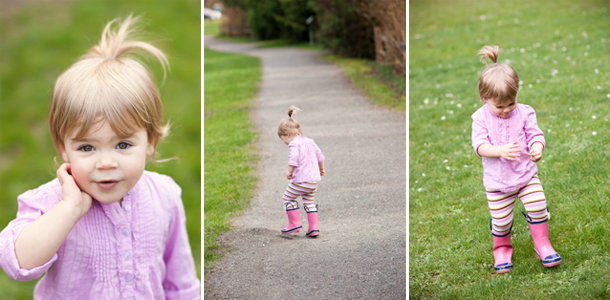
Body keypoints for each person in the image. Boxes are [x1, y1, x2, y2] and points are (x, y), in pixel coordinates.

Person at [0, 15, 200, 299]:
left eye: (122, 144)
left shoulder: (165, 195)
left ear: (151, 142)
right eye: (87, 148)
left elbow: (180, 282)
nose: (106, 162)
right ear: (62, 146)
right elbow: (17, 263)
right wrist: (70, 209)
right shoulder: (52, 202)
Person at [471, 45, 561, 273]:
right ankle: (501, 249)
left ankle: (543, 244)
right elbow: (480, 146)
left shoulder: (525, 112)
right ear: (484, 98)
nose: (506, 110)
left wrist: (537, 148)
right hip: (498, 183)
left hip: (525, 175)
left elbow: (536, 135)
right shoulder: (480, 118)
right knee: (501, 222)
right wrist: (499, 151)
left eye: (511, 103)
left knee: (538, 205)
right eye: (499, 106)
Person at [277, 106, 325, 237]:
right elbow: (320, 156)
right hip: (313, 181)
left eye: (283, 139)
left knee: (287, 198)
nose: (284, 142)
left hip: (300, 180)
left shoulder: (294, 144)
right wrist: (322, 169)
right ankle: (314, 228)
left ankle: (295, 224)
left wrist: (290, 172)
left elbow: (293, 158)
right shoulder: (310, 141)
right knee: (309, 202)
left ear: (287, 134)